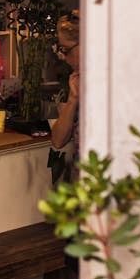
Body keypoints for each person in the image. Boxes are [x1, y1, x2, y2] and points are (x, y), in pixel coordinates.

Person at [51, 11, 80, 174]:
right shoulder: (76, 81)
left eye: (66, 49)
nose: (62, 56)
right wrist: (72, 99)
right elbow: (58, 140)